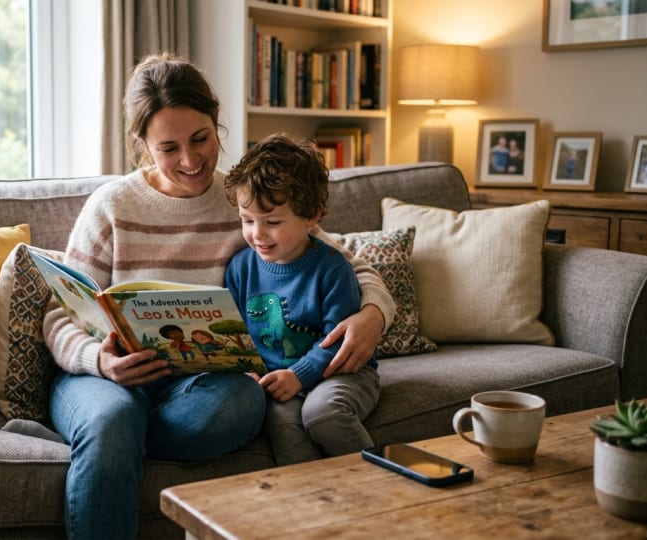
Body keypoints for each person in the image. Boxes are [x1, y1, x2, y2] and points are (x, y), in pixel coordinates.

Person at [42, 53, 395, 540]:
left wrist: (374, 314)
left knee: (246, 401)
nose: (190, 161)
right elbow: (59, 313)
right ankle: (105, 434)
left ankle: (106, 441)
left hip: (195, 387)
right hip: (110, 379)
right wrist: (99, 362)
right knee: (111, 419)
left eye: (201, 139)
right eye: (168, 147)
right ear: (142, 145)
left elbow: (340, 261)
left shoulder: (247, 202)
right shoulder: (113, 205)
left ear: (217, 123)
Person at [223, 133, 379, 466]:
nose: (257, 234)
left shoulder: (332, 268)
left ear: (312, 215)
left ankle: (379, 489)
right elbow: (235, 336)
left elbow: (339, 341)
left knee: (322, 415)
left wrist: (300, 375)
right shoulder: (240, 269)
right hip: (278, 382)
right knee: (284, 429)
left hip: (343, 372)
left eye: (273, 222)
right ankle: (314, 509)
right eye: (247, 221)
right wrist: (245, 371)